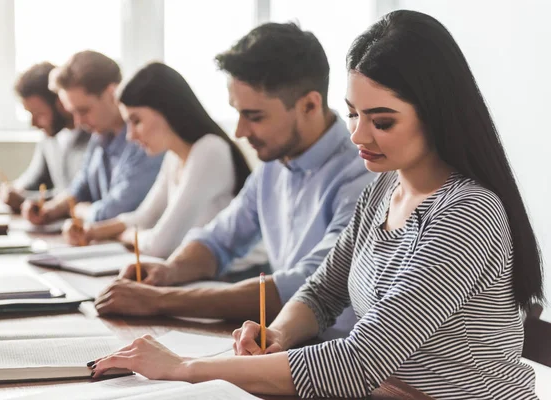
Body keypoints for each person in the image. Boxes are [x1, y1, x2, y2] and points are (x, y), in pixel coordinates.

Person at [91, 11, 542, 400]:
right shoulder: (382, 192)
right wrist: (280, 333)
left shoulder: (468, 213)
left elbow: (359, 361)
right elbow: (322, 291)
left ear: (437, 115)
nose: (358, 136)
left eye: (381, 121)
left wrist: (186, 368)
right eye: (352, 114)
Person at [94, 22, 374, 340]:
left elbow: (308, 283)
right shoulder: (274, 164)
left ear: (309, 105)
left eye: (254, 116)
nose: (239, 132)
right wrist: (168, 272)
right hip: (284, 342)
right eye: (237, 113)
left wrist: (159, 301)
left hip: (338, 358)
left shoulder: (362, 173)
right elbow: (220, 239)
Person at [63, 62, 251, 258]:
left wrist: (127, 235)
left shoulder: (209, 151)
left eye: (136, 121)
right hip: (199, 274)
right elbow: (144, 217)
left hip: (236, 277)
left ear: (167, 110)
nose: (130, 136)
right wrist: (92, 231)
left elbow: (160, 245)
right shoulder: (174, 156)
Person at [21, 51, 164, 225]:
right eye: (72, 112)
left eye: (83, 111)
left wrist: (78, 209)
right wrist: (50, 209)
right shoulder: (100, 136)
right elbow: (80, 188)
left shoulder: (145, 140)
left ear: (112, 94)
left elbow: (115, 212)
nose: (78, 122)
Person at [0, 62, 89, 213]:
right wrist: (14, 190)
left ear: (61, 103)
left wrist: (27, 199)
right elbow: (33, 179)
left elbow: (78, 194)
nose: (34, 124)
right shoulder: (49, 138)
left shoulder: (93, 138)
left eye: (39, 114)